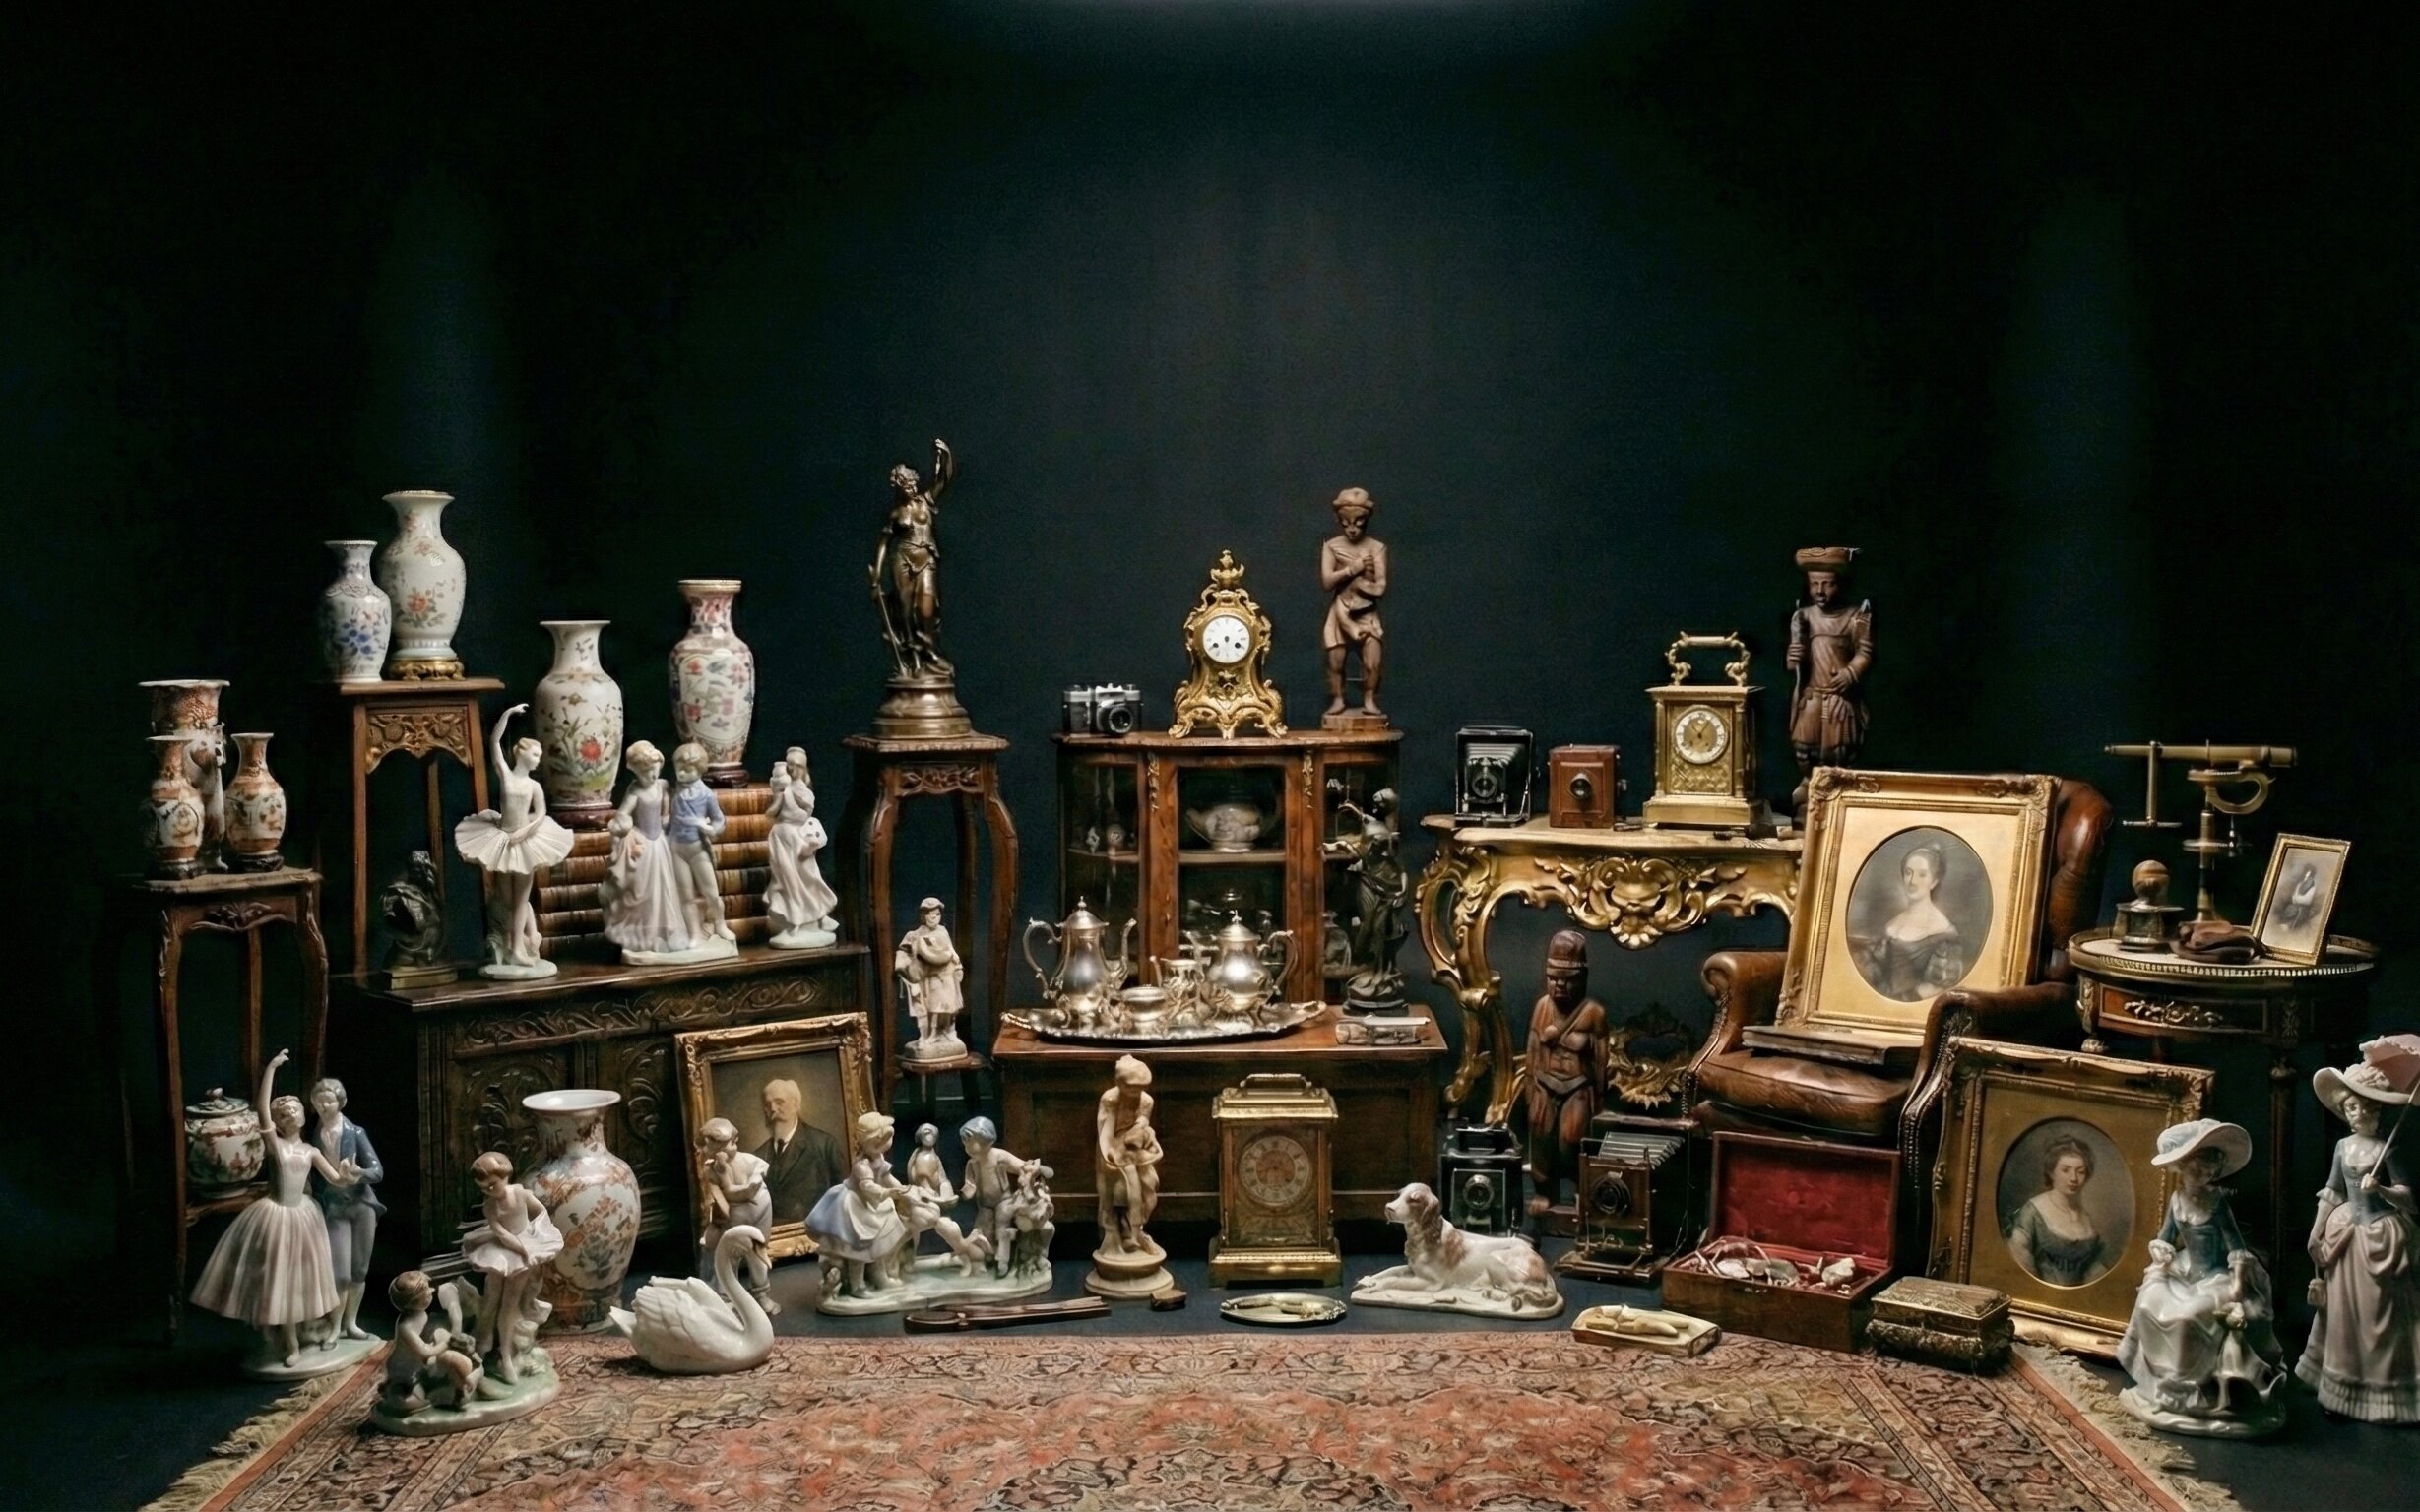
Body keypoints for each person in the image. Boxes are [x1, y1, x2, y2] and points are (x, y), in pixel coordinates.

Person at [190, 1049, 363, 1368]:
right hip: (277, 1215)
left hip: (304, 1216)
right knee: (279, 1282)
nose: (290, 1116)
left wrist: (348, 1175)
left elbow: (335, 1179)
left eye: (294, 1110)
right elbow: (261, 1110)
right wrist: (270, 1068)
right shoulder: (276, 1146)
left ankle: (301, 1335)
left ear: (303, 1115)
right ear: (279, 1123)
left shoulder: (310, 1151)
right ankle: (290, 1343)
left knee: (301, 1282)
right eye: (283, 1114)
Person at [2117, 1119, 2286, 1435]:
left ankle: (2187, 1392)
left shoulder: (2218, 1204)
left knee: (2186, 1318)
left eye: (2209, 1172)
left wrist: (2238, 1286)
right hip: (2184, 1271)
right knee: (2149, 1302)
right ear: (2183, 1168)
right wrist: (2162, 1255)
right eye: (2197, 1171)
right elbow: (2165, 1238)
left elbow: (2237, 1249)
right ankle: (2164, 1387)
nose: (2203, 1177)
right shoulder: (2177, 1201)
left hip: (2216, 1278)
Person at [2299, 1059, 2420, 1421]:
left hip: (2379, 1237)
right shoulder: (2342, 1147)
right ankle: (2342, 1386)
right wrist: (2317, 1229)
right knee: (2344, 1314)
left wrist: (2380, 1188)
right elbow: (2334, 1191)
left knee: (2379, 1313)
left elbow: (2409, 1199)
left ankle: (2382, 1390)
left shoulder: (2387, 1149)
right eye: (2351, 1107)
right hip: (2347, 1236)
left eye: (2366, 1108)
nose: (2358, 1114)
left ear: (2377, 1111)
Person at [453, 704, 575, 976]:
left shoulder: (534, 786)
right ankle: (512, 943)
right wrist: (507, 714)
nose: (538, 759)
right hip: (503, 838)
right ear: (521, 753)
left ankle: (519, 947)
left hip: (524, 840)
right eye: (535, 754)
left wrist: (525, 831)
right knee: (506, 898)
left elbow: (541, 814)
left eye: (539, 755)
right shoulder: (506, 776)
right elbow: (494, 742)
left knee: (521, 898)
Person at [461, 1149, 564, 1385]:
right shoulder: (490, 1207)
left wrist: (537, 1234)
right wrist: (524, 1250)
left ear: (505, 1176)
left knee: (509, 1304)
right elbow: (502, 1235)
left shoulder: (520, 1193)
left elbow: (541, 1212)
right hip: (503, 1251)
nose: (490, 1191)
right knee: (491, 1298)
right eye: (484, 1189)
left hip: (521, 1249)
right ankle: (482, 1344)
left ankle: (506, 1356)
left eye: (493, 1185)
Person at [1524, 930, 1608, 1218]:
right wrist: (1530, 1088)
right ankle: (1545, 1192)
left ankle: (1582, 1189)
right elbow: (1532, 1049)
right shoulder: (1542, 1008)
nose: (1559, 985)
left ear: (1582, 979)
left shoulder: (1593, 1013)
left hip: (1577, 1086)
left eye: (1567, 979)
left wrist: (1599, 1097)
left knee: (1572, 1138)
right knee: (1541, 1136)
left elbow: (1601, 1059)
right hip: (1544, 1084)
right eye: (1553, 978)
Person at [1786, 545, 1873, 810]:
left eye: (1828, 584)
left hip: (1839, 697)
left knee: (1839, 751)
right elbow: (1794, 663)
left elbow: (1865, 652)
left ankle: (1837, 797)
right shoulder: (1803, 617)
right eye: (1814, 584)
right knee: (1804, 747)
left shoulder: (1855, 617)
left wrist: (1850, 673)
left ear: (1841, 584)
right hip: (1812, 694)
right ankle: (1809, 787)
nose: (1820, 591)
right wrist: (1793, 656)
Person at [871, 440, 956, 679]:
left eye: (913, 484)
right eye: (907, 485)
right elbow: (884, 542)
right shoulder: (897, 513)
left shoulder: (926, 501)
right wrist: (877, 571)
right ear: (899, 486)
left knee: (927, 609)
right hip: (902, 560)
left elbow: (943, 479)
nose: (912, 488)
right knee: (906, 612)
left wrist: (945, 455)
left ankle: (930, 653)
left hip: (926, 559)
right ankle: (915, 661)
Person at [600, 740, 693, 957]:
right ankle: (644, 935)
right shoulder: (635, 792)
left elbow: (668, 803)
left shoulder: (662, 785)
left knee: (666, 888)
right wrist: (624, 826)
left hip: (660, 844)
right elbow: (622, 814)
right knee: (643, 891)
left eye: (655, 770)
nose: (652, 775)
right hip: (645, 845)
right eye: (646, 772)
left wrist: (667, 816)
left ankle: (666, 932)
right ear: (636, 772)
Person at [308, 1076, 383, 1343]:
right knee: (339, 1272)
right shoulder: (313, 1135)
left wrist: (359, 1173)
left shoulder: (356, 1132)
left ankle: (351, 1323)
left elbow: (377, 1171)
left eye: (329, 1101)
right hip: (335, 1207)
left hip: (361, 1205)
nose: (324, 1106)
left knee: (359, 1269)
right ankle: (334, 1327)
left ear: (341, 1102)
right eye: (319, 1101)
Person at [807, 1112, 912, 1298]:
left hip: (873, 1205)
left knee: (878, 1245)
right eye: (879, 1143)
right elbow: (868, 1187)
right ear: (868, 1142)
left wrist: (900, 1188)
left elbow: (886, 1176)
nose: (884, 1146)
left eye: (886, 1141)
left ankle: (879, 1276)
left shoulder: (879, 1158)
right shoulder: (861, 1165)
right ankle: (857, 1285)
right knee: (858, 1249)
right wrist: (887, 1193)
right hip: (855, 1206)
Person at [1854, 843, 1967, 1001]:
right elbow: (1875, 971)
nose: (1912, 881)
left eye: (1922, 875)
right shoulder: (1892, 924)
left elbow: (1933, 988)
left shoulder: (1944, 933)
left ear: (1934, 881)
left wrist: (1894, 1003)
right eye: (1908, 873)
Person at [1318, 487, 1388, 719]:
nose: (1352, 529)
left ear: (1366, 520)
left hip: (1366, 612)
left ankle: (1369, 699)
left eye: (1358, 523)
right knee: (1335, 662)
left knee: (1372, 664)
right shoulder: (1332, 546)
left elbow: (1381, 586)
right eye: (1346, 523)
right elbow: (1327, 582)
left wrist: (1360, 586)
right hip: (1340, 611)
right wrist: (1352, 569)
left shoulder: (1377, 548)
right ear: (1339, 520)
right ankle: (1338, 698)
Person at [2006, 1135, 2110, 1287]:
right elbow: (2020, 1260)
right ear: (2051, 1172)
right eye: (2065, 1170)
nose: (2074, 1178)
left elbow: (2094, 1270)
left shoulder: (2087, 1219)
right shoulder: (2032, 1212)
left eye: (2081, 1172)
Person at [697, 1116, 777, 1314]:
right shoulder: (711, 1170)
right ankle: (726, 1297)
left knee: (758, 1252)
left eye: (732, 1143)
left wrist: (753, 1183)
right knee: (730, 1254)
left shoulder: (746, 1159)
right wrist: (743, 1189)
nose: (731, 1148)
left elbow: (760, 1170)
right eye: (724, 1145)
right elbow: (726, 1194)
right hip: (736, 1216)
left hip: (760, 1210)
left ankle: (761, 1294)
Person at [764, 748, 838, 946]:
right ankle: (795, 922)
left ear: (804, 768)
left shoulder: (804, 790)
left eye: (798, 766)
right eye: (791, 765)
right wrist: (779, 795)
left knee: (809, 878)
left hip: (799, 837)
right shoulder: (783, 788)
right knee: (787, 881)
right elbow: (771, 813)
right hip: (781, 838)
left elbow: (807, 814)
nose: (794, 769)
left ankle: (819, 916)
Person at [753, 1078, 844, 1228]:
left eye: (779, 1102)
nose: (773, 1109)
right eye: (768, 1105)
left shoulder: (824, 1144)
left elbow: (842, 1197)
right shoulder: (758, 1156)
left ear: (796, 1105)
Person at [1094, 1056, 1162, 1257]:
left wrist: (1140, 1131)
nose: (1137, 1091)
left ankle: (1138, 1231)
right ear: (1120, 1082)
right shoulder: (1110, 1099)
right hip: (1111, 1146)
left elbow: (1143, 1120)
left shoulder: (1146, 1100)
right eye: (1132, 1086)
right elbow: (1105, 1129)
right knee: (1123, 1190)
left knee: (1149, 1187)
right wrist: (1110, 1152)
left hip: (1135, 1147)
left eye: (1141, 1086)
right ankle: (1123, 1233)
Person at [669, 742, 734, 947]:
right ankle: (694, 934)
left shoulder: (706, 794)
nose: (681, 773)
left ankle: (720, 924)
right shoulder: (672, 791)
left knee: (711, 893)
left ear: (699, 770)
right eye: (679, 768)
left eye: (687, 769)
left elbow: (719, 821)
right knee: (686, 896)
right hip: (677, 848)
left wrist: (709, 829)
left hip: (698, 848)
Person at [960, 1116, 1037, 1274]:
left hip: (1003, 1200)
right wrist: (968, 1191)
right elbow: (970, 1182)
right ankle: (987, 1254)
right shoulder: (972, 1163)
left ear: (985, 1139)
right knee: (983, 1226)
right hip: (984, 1203)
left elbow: (1021, 1166)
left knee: (1002, 1225)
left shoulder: (999, 1156)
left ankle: (1003, 1260)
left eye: (970, 1142)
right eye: (965, 1143)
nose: (967, 1147)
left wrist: (1029, 1171)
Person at [897, 898, 967, 1062]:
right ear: (924, 916)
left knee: (949, 1005)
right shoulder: (916, 935)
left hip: (946, 975)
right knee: (933, 1006)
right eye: (931, 915)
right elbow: (903, 955)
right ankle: (930, 1034)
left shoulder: (943, 931)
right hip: (929, 978)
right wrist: (907, 965)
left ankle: (949, 1032)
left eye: (937, 914)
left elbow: (950, 950)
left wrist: (957, 963)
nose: (935, 918)